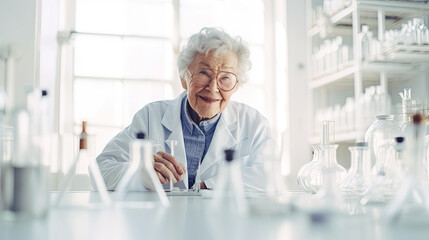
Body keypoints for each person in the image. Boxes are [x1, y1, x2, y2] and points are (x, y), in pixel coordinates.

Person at [96, 27, 272, 191]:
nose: (213, 88)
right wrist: (142, 173)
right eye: (203, 73)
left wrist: (208, 186)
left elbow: (269, 177)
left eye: (225, 77)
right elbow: (101, 170)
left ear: (235, 86)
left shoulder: (254, 124)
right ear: (183, 78)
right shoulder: (151, 116)